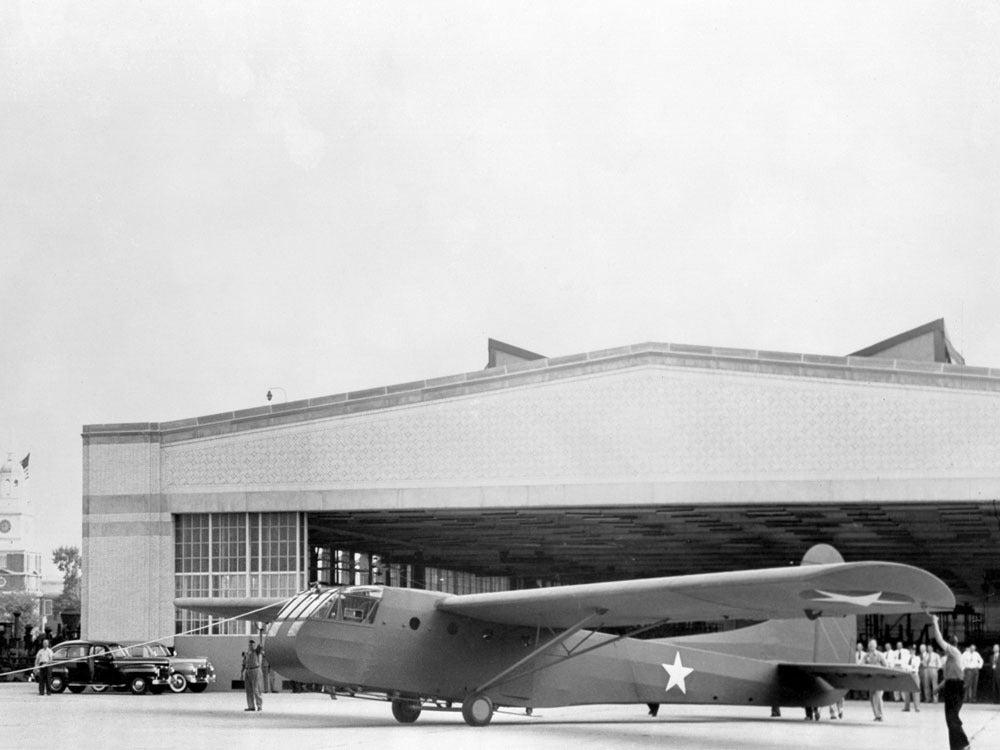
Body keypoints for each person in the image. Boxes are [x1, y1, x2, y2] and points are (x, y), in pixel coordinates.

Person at [930, 614, 970, 750]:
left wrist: (934, 622)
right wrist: (938, 688)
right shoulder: (950, 658)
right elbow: (948, 678)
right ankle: (956, 746)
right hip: (951, 686)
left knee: (952, 718)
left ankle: (964, 743)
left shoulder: (954, 652)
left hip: (956, 688)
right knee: (950, 719)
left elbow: (939, 639)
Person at [862, 638, 888, 721]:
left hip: (879, 679)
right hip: (870, 679)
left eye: (873, 645)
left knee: (878, 697)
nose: (871, 647)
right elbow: (861, 665)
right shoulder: (866, 656)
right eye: (870, 645)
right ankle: (876, 715)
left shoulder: (880, 655)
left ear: (875, 646)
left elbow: (886, 665)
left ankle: (880, 715)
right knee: (871, 698)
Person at [241, 638, 265, 712]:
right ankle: (251, 706)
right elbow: (244, 664)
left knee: (256, 689)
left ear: (254, 645)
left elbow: (260, 646)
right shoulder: (247, 653)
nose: (251, 645)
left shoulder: (256, 652)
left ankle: (259, 706)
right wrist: (242, 673)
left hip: (255, 670)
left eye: (252, 644)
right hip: (248, 670)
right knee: (248, 690)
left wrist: (260, 633)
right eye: (250, 644)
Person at [902, 644, 921, 712]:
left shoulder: (917, 658)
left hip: (914, 674)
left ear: (915, 651)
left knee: (915, 691)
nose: (912, 651)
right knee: (906, 691)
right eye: (911, 650)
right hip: (907, 674)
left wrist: (908, 667)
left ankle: (917, 707)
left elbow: (915, 666)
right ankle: (907, 707)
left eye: (913, 650)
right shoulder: (906, 657)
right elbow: (904, 666)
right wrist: (909, 667)